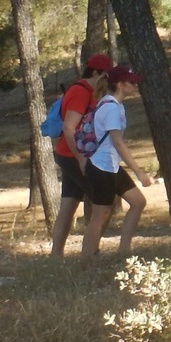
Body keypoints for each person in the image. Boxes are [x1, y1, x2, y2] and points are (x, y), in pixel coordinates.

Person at [82, 65, 153, 261]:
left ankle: (124, 252)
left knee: (138, 202)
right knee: (101, 215)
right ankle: (86, 259)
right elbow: (118, 142)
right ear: (120, 85)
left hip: (111, 166)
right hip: (101, 167)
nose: (135, 86)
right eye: (132, 82)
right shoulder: (111, 107)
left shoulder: (113, 104)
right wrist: (139, 172)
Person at [49, 52, 113, 258]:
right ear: (95, 73)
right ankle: (90, 252)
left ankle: (56, 255)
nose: (108, 80)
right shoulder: (81, 92)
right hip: (73, 156)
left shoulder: (87, 91)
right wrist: (82, 160)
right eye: (105, 75)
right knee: (104, 204)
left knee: (68, 205)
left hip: (70, 154)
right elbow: (69, 128)